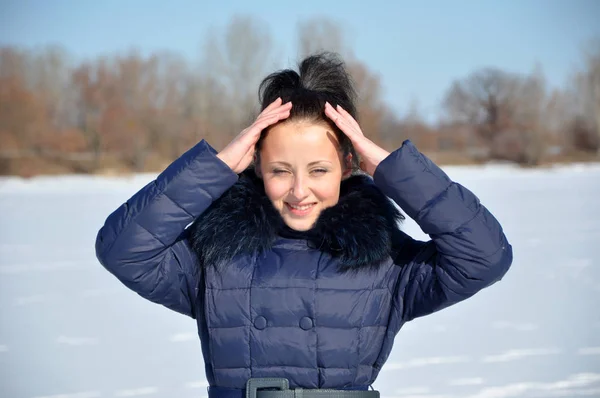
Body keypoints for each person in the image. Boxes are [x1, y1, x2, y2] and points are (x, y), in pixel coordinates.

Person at [95, 52, 513, 398]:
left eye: (318, 170)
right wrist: (213, 169)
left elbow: (485, 257)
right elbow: (122, 249)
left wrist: (393, 169)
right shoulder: (214, 254)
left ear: (348, 165)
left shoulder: (386, 260)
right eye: (280, 170)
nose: (299, 191)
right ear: (255, 165)